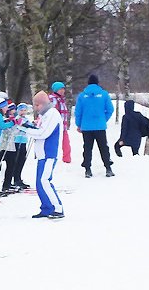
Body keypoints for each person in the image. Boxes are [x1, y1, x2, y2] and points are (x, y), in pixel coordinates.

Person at [17, 91, 65, 219]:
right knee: (40, 183)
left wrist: (25, 129)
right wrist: (29, 127)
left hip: (49, 153)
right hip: (42, 154)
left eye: (36, 105)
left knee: (44, 181)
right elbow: (39, 130)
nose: (35, 108)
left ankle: (57, 208)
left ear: (42, 104)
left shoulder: (52, 115)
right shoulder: (45, 115)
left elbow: (43, 133)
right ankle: (47, 207)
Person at [74, 75, 115, 177]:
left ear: (88, 83)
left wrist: (79, 124)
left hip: (86, 126)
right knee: (103, 147)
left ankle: (87, 169)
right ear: (98, 83)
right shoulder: (104, 94)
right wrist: (103, 119)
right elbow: (110, 109)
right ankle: (108, 168)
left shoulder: (82, 96)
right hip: (100, 126)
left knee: (87, 148)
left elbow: (78, 112)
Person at [50, 81, 73, 163]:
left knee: (66, 143)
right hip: (55, 126)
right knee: (53, 143)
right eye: (60, 89)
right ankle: (51, 158)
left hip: (63, 126)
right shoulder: (52, 99)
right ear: (56, 90)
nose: (62, 90)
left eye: (63, 89)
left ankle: (67, 159)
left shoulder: (62, 100)